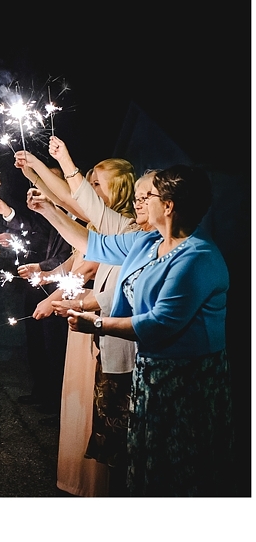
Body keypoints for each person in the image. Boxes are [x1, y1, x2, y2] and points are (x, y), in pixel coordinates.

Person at [29, 165, 233, 496]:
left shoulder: (198, 256)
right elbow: (93, 243)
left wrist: (95, 323)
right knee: (145, 461)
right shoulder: (149, 240)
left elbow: (159, 324)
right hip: (151, 371)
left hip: (187, 379)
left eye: (147, 196)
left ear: (168, 205)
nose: (140, 201)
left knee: (178, 468)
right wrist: (48, 210)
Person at [0, 165, 72, 418]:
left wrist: (42, 268)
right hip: (35, 284)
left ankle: (56, 402)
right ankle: (41, 390)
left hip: (59, 286)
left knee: (55, 345)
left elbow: (68, 253)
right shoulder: (46, 211)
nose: (43, 186)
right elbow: (33, 231)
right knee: (36, 341)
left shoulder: (69, 212)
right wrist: (10, 222)